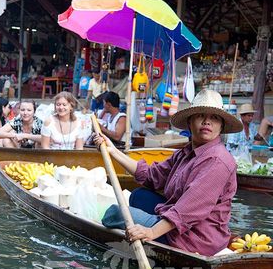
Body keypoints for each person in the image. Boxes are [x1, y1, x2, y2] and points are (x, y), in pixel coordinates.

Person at [94, 89, 243, 256]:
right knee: (138, 196)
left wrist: (150, 233)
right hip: (178, 221)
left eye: (214, 118)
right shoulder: (185, 153)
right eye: (201, 115)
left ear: (221, 126)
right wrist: (113, 151)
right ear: (189, 122)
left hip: (195, 238)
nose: (207, 122)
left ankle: (153, 233)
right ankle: (148, 226)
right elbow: (152, 175)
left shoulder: (218, 160)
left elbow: (187, 210)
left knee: (115, 212)